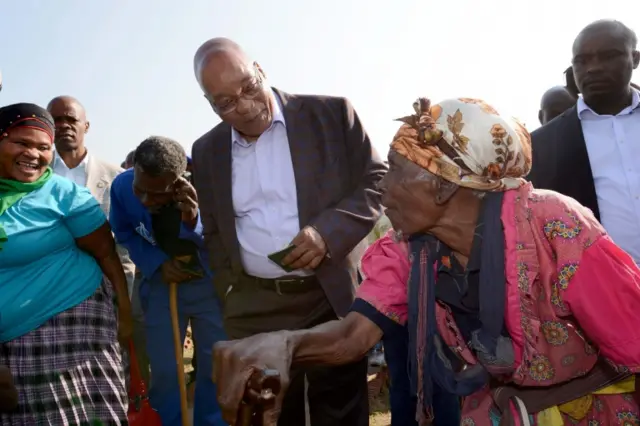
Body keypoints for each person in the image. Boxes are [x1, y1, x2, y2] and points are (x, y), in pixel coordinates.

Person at [212, 97, 640, 426]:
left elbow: (634, 342)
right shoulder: (407, 252)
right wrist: (284, 344)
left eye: (396, 171)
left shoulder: (552, 226)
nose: (384, 188)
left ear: (443, 186)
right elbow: (352, 338)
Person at [191, 38, 386, 425]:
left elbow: (377, 180)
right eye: (226, 103)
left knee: (340, 408)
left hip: (327, 295)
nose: (245, 107)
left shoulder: (331, 114)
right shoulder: (206, 150)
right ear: (210, 104)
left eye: (249, 87)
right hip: (254, 305)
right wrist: (230, 290)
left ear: (260, 69)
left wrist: (328, 233)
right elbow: (212, 229)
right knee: (270, 413)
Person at [0, 103, 131, 424]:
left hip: (73, 329)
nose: (33, 154)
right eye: (21, 143)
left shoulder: (65, 195)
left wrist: (125, 315)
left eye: (44, 147)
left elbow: (107, 255)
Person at [109, 136, 226, 426]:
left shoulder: (210, 182)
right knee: (163, 367)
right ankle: (169, 421)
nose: (147, 201)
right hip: (162, 286)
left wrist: (192, 218)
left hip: (209, 285)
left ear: (181, 179)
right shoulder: (122, 187)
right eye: (141, 191)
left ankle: (211, 421)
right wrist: (157, 264)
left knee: (216, 363)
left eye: (158, 194)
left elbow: (224, 241)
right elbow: (124, 232)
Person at [530, 19, 640, 264]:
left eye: (608, 56)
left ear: (634, 59)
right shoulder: (542, 145)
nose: (593, 68)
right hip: (600, 290)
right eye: (582, 61)